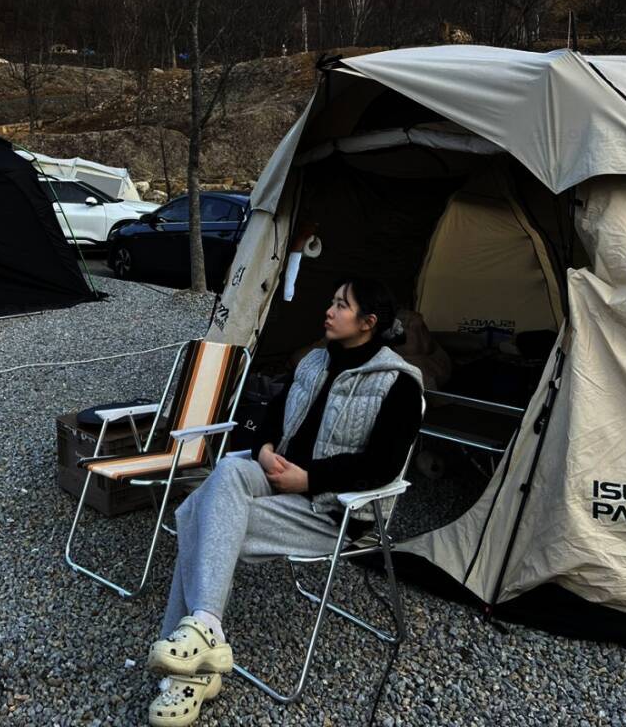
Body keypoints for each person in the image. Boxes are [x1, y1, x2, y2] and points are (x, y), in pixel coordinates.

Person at [146, 277, 423, 726]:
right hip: (279, 478)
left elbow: (383, 465)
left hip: (333, 510)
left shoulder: (399, 383)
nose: (329, 310)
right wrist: (264, 449)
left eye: (342, 305)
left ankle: (189, 675)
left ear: (368, 322)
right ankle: (206, 628)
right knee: (227, 474)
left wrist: (309, 479)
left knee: (202, 515)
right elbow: (271, 416)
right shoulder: (313, 361)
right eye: (332, 301)